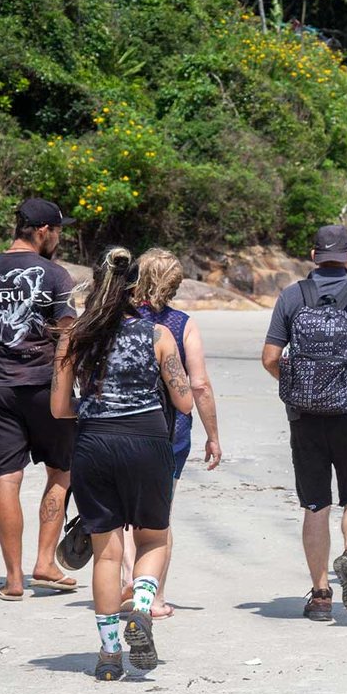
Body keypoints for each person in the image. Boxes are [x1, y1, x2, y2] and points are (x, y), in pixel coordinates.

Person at [50, 247, 194, 681]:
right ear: (136, 289)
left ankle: (110, 655)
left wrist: (98, 406)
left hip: (94, 443)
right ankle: (143, 608)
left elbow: (59, 409)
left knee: (107, 554)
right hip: (147, 442)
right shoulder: (159, 335)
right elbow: (184, 401)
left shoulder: (75, 336)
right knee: (153, 539)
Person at [260, 225, 347, 622]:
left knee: (315, 504)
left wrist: (298, 387)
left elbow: (270, 358)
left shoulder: (292, 296)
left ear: (313, 256)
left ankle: (321, 595)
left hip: (304, 416)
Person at [0, 197, 80, 601]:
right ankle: (45, 562)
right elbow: (68, 336)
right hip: (46, 389)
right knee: (60, 472)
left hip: (2, 390)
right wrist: (71, 389)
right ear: (43, 231)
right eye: (58, 231)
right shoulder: (55, 275)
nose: (59, 238)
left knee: (7, 478)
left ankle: (13, 579)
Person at [116, 248, 223, 619]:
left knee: (124, 512)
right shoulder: (181, 324)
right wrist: (213, 435)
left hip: (119, 426)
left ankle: (128, 579)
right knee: (158, 516)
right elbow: (199, 385)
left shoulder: (117, 318)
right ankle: (154, 597)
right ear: (175, 285)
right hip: (168, 434)